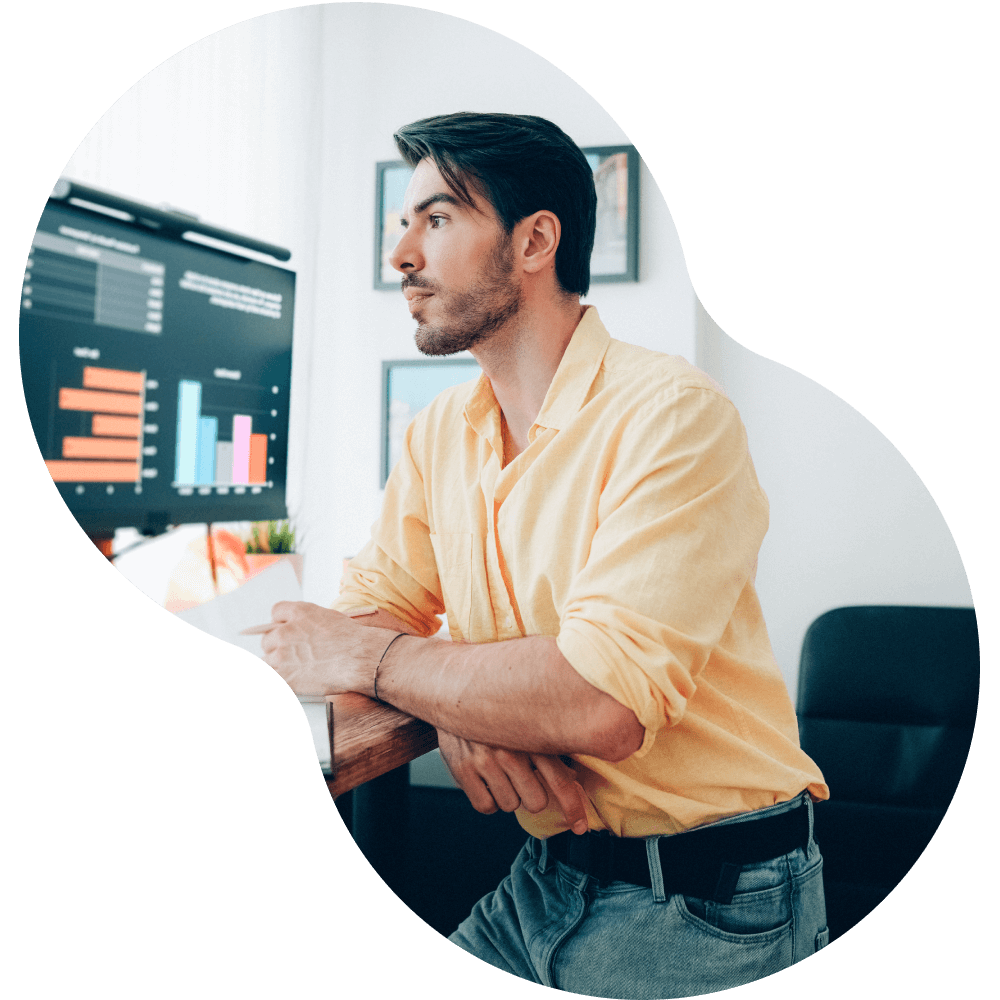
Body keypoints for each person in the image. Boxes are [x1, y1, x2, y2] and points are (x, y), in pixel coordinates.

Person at [260, 112, 830, 996]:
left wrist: (395, 663)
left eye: (437, 218)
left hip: (713, 903)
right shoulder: (441, 432)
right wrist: (464, 701)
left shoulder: (672, 415)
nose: (400, 255)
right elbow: (371, 612)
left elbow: (598, 703)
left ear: (535, 241)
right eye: (405, 222)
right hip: (549, 879)